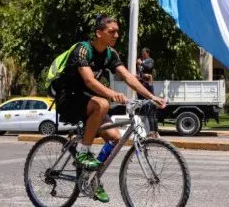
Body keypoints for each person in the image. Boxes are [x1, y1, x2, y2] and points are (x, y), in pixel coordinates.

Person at [56, 15, 166, 203]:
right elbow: (89, 81)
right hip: (69, 99)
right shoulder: (83, 50)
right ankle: (83, 151)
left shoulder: (110, 54)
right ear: (99, 33)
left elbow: (129, 77)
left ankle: (92, 179)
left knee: (115, 139)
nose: (117, 34)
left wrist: (152, 97)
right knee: (103, 103)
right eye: (111, 31)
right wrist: (111, 94)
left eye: (117, 31)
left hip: (89, 101)